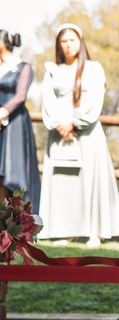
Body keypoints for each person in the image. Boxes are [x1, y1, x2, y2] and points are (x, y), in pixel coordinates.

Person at [39, 23, 119, 247]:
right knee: (63, 183)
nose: (68, 45)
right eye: (64, 41)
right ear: (59, 44)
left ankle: (93, 232)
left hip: (87, 133)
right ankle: (63, 230)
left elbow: (94, 100)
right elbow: (48, 100)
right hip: (59, 134)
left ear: (81, 41)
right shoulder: (52, 69)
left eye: (72, 40)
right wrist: (59, 124)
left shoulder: (93, 68)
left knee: (90, 180)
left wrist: (75, 122)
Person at [0, 30, 40, 210]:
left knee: (12, 172)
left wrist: (3, 112)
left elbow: (20, 95)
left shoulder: (23, 67)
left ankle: (15, 222)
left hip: (14, 124)